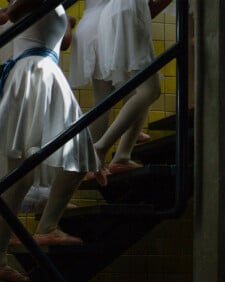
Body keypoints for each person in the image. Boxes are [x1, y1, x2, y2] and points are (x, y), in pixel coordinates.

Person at [0, 0, 98, 282]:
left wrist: (69, 23)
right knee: (59, 161)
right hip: (36, 74)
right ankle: (19, 244)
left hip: (38, 74)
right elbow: (12, 14)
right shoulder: (17, 7)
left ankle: (1, 256)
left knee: (40, 170)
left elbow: (60, 43)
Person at [69, 0, 171, 177]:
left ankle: (94, 162)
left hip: (94, 22)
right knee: (142, 90)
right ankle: (113, 150)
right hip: (115, 18)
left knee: (105, 102)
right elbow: (152, 7)